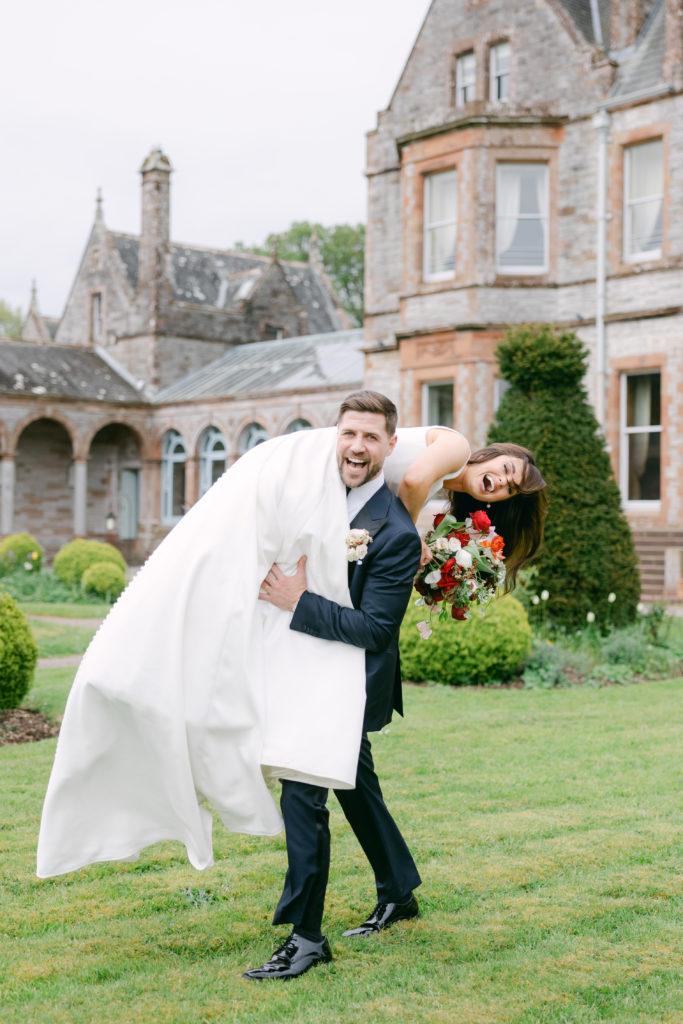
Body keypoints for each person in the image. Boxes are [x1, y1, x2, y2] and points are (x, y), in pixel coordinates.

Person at [243, 390, 423, 981]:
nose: (357, 446)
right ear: (334, 436)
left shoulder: (395, 533)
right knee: (354, 783)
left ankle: (306, 938)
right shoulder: (313, 494)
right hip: (302, 665)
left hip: (349, 680)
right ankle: (399, 888)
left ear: (390, 445)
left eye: (371, 437)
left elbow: (376, 630)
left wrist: (298, 601)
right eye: (349, 433)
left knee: (303, 792)